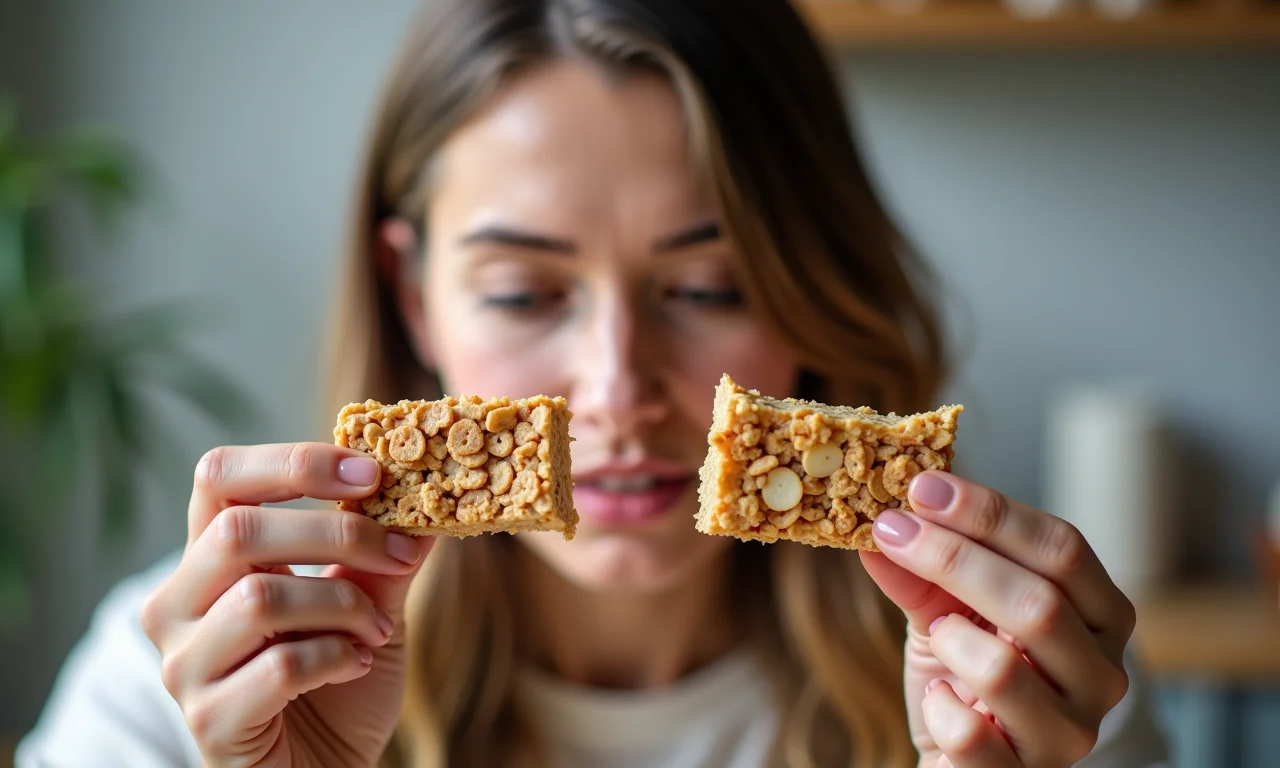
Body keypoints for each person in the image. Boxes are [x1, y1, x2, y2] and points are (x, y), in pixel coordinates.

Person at [17, 1, 1171, 766]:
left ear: (810, 288)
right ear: (413, 298)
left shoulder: (1028, 686)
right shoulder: (179, 690)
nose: (617, 393)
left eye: (708, 289)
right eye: (523, 295)